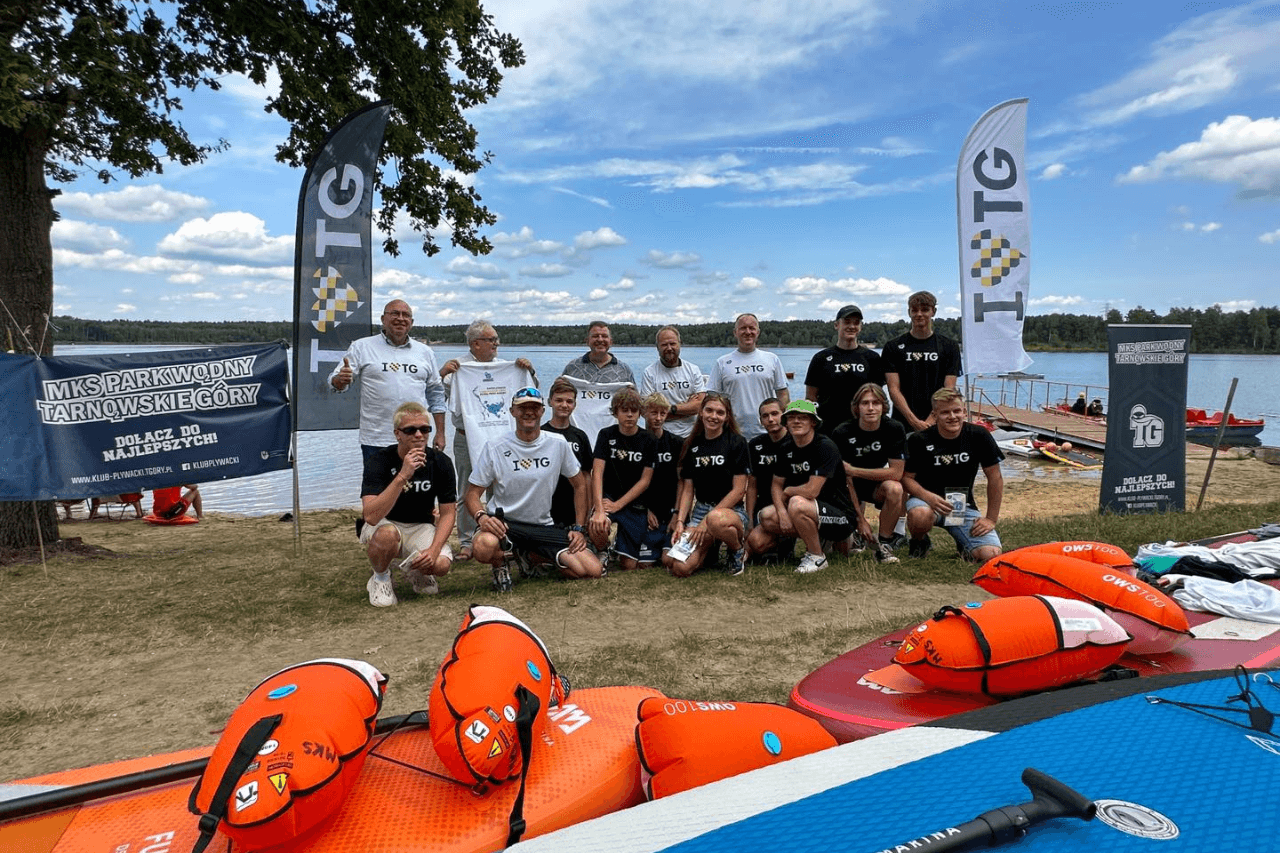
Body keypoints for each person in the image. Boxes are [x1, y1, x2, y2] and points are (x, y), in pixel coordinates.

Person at [464, 387, 601, 588]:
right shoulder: (495, 447)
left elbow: (580, 484)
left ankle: (529, 556)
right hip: (506, 524)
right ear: (512, 411)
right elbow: (472, 494)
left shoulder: (558, 443)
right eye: (523, 408)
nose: (529, 412)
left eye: (534, 408)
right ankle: (500, 563)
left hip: (542, 526)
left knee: (591, 571)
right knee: (483, 547)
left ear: (542, 411)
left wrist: (579, 528)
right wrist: (482, 517)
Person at [438, 319, 535, 559]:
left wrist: (528, 371)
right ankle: (467, 541)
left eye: (496, 339)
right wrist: (442, 375)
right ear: (475, 343)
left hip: (502, 439)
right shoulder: (458, 369)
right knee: (467, 490)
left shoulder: (507, 367)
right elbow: (441, 398)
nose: (496, 344)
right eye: (491, 340)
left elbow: (530, 394)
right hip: (467, 438)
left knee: (500, 489)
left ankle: (499, 536)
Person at [747, 400, 871, 574]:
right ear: (786, 423)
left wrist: (789, 492)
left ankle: (816, 556)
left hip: (839, 514)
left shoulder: (825, 446)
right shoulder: (786, 448)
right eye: (791, 418)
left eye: (802, 418)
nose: (796, 421)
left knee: (797, 502)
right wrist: (781, 513)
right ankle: (818, 538)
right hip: (809, 510)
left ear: (813, 421)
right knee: (766, 516)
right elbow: (776, 484)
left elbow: (812, 491)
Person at [358, 402, 456, 607]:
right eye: (410, 430)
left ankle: (417, 570)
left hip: (420, 525)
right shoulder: (379, 461)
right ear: (397, 434)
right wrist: (403, 475)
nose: (419, 435)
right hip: (385, 524)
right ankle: (380, 578)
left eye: (425, 429)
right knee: (387, 535)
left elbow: (448, 513)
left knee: (441, 564)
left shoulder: (441, 462)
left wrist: (434, 550)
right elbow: (371, 516)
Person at [328, 299, 447, 462]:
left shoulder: (425, 352)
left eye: (405, 315)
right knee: (377, 488)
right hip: (376, 440)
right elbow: (335, 383)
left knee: (415, 486)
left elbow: (436, 394)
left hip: (415, 438)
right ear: (383, 319)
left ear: (411, 322)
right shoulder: (362, 347)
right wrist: (341, 380)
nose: (400, 318)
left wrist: (440, 433)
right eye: (394, 313)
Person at [901, 388, 1004, 563]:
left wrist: (990, 519)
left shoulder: (979, 435)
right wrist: (929, 497)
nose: (952, 416)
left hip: (961, 504)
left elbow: (995, 478)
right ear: (935, 415)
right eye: (945, 412)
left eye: (957, 411)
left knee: (991, 555)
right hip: (926, 502)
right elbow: (906, 478)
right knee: (919, 515)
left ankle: (965, 547)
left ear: (964, 411)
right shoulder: (919, 439)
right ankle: (919, 541)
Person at [668, 392, 752, 578]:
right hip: (700, 512)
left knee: (715, 520)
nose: (714, 416)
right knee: (678, 567)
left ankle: (736, 550)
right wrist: (681, 522)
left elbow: (739, 491)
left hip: (731, 513)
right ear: (701, 412)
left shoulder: (737, 442)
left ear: (727, 417)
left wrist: (707, 522)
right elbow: (688, 489)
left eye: (720, 413)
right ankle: (710, 549)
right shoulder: (692, 444)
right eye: (709, 410)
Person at [831, 383, 905, 563]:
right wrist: (860, 519)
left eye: (876, 403)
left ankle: (884, 544)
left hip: (873, 483)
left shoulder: (894, 428)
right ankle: (853, 535)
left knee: (895, 488)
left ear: (884, 406)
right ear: (856, 407)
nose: (871, 408)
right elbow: (844, 479)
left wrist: (856, 470)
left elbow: (896, 472)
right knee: (842, 551)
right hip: (847, 488)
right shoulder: (842, 432)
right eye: (865, 403)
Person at [589, 388, 657, 571]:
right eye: (624, 410)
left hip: (634, 503)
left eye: (634, 411)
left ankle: (616, 548)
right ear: (615, 412)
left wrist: (619, 504)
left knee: (629, 566)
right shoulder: (606, 434)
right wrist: (600, 509)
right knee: (598, 524)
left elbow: (645, 481)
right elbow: (597, 473)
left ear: (640, 413)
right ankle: (602, 549)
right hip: (609, 497)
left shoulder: (648, 439)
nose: (629, 415)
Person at [882, 291, 962, 433]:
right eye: (915, 310)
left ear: (933, 312)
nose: (919, 314)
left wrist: (931, 419)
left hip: (937, 421)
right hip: (903, 422)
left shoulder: (949, 346)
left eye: (925, 310)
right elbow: (893, 389)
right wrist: (913, 420)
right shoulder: (893, 347)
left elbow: (948, 389)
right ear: (909, 312)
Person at [804, 304, 885, 435]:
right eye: (846, 322)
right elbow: (810, 398)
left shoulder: (872, 358)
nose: (851, 326)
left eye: (856, 323)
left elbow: (878, 397)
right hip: (828, 428)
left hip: (862, 428)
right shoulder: (821, 358)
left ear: (860, 327)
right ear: (836, 325)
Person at [708, 313, 790, 439]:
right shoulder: (722, 363)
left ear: (758, 332)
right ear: (735, 332)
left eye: (752, 328)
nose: (748, 332)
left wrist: (780, 420)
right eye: (743, 328)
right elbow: (713, 398)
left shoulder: (772, 359)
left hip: (768, 433)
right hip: (734, 433)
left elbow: (783, 394)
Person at [745, 397, 795, 563]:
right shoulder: (755, 445)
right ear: (761, 421)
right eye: (765, 416)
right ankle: (777, 547)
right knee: (755, 543)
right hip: (764, 506)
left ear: (784, 415)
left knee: (756, 544)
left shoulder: (797, 441)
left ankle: (787, 543)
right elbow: (752, 486)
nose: (771, 419)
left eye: (775, 414)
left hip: (791, 506)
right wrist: (750, 519)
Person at [541, 376, 595, 527]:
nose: (564, 405)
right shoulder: (540, 434)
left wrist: (587, 515)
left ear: (575, 405)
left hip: (574, 507)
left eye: (569, 401)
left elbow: (586, 476)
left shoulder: (580, 436)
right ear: (550, 402)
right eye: (559, 400)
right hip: (546, 509)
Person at [639, 392, 684, 568]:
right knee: (644, 565)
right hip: (648, 513)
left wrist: (677, 513)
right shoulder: (638, 442)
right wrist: (645, 510)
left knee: (668, 561)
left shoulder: (677, 443)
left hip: (672, 511)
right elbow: (633, 482)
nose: (658, 418)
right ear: (644, 413)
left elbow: (683, 481)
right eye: (653, 413)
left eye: (662, 413)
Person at [640, 325, 707, 439]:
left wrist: (669, 410)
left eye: (672, 343)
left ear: (679, 344)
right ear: (657, 347)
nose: (669, 348)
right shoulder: (650, 372)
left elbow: (700, 406)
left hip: (691, 436)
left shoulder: (693, 370)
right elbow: (647, 412)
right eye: (664, 344)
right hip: (660, 436)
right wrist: (687, 408)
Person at [561, 320, 636, 385]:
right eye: (595, 336)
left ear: (611, 342)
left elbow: (633, 399)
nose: (600, 340)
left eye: (604, 336)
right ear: (587, 341)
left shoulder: (624, 370)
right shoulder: (572, 367)